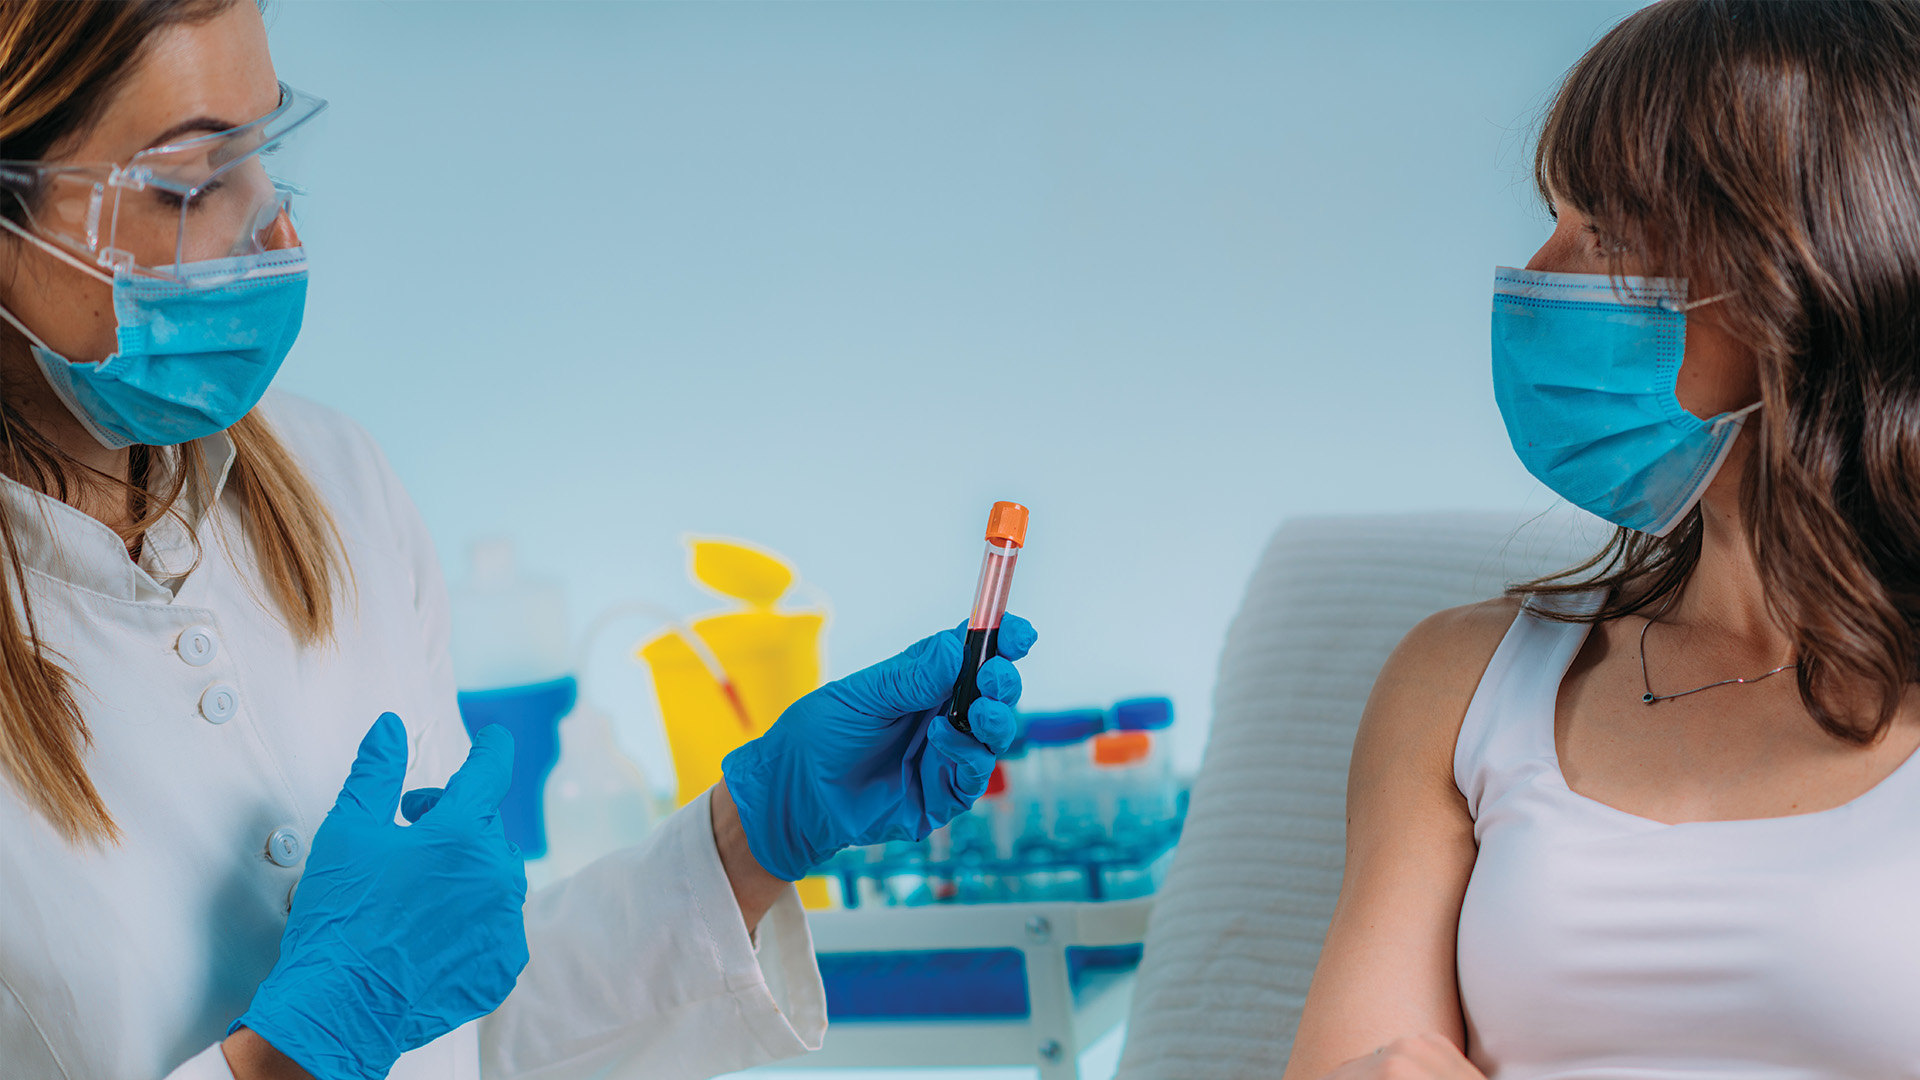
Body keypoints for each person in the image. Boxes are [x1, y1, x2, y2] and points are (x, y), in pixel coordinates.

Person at [0, 3, 1034, 1078]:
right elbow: (366, 1022)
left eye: (260, 152)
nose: (278, 232)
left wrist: (751, 837)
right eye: (187, 184)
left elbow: (473, 1031)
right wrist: (298, 1055)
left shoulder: (334, 485)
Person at [1282, 2, 1920, 1077]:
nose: (1540, 272)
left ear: (1811, 273)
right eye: (1555, 218)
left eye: (1608, 233)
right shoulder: (1463, 680)